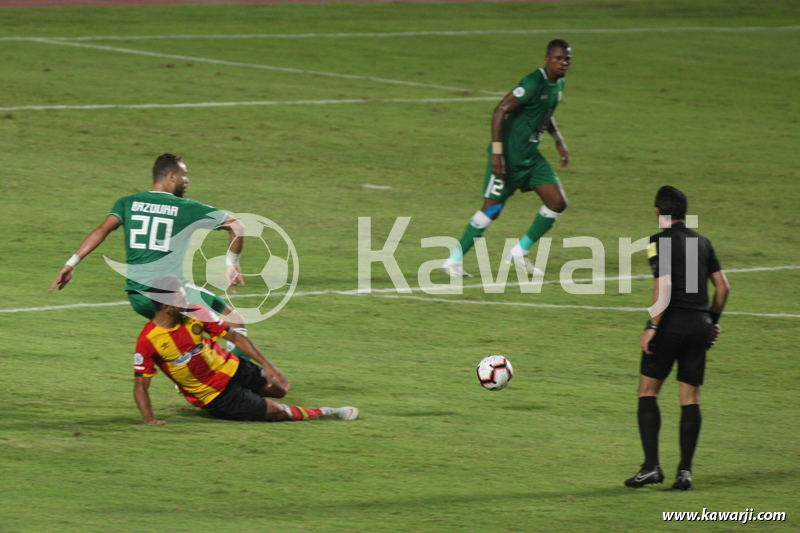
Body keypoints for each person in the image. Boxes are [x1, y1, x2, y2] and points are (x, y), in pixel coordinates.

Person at [47, 154, 284, 385]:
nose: (187, 180)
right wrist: (231, 263)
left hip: (138, 297)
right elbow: (237, 225)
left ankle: (197, 381)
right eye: (184, 174)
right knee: (235, 322)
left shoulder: (128, 202)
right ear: (171, 176)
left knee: (187, 335)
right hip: (172, 293)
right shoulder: (184, 207)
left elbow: (102, 230)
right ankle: (241, 384)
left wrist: (71, 263)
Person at [133, 276, 359, 425]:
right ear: (167, 307)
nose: (187, 300)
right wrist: (149, 419)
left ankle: (249, 400)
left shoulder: (196, 312)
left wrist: (269, 366)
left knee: (279, 389)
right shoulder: (148, 341)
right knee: (279, 412)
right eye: (181, 298)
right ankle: (328, 412)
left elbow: (234, 336)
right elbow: (141, 386)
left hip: (233, 367)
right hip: (215, 395)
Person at [625, 186, 730, 490]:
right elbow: (723, 288)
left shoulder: (657, 242)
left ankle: (651, 467)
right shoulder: (702, 242)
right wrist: (712, 322)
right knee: (690, 398)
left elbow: (664, 286)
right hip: (698, 326)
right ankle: (684, 472)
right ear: (684, 212)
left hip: (670, 326)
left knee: (648, 391)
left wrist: (652, 326)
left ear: (659, 212)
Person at [441, 39, 572, 277]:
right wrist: (497, 153)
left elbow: (545, 112)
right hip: (508, 158)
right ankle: (453, 261)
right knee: (491, 209)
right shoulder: (533, 82)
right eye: (558, 58)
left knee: (557, 202)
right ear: (547, 59)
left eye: (567, 59)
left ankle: (519, 253)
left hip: (531, 157)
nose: (563, 63)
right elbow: (500, 110)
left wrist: (558, 139)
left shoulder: (558, 83)